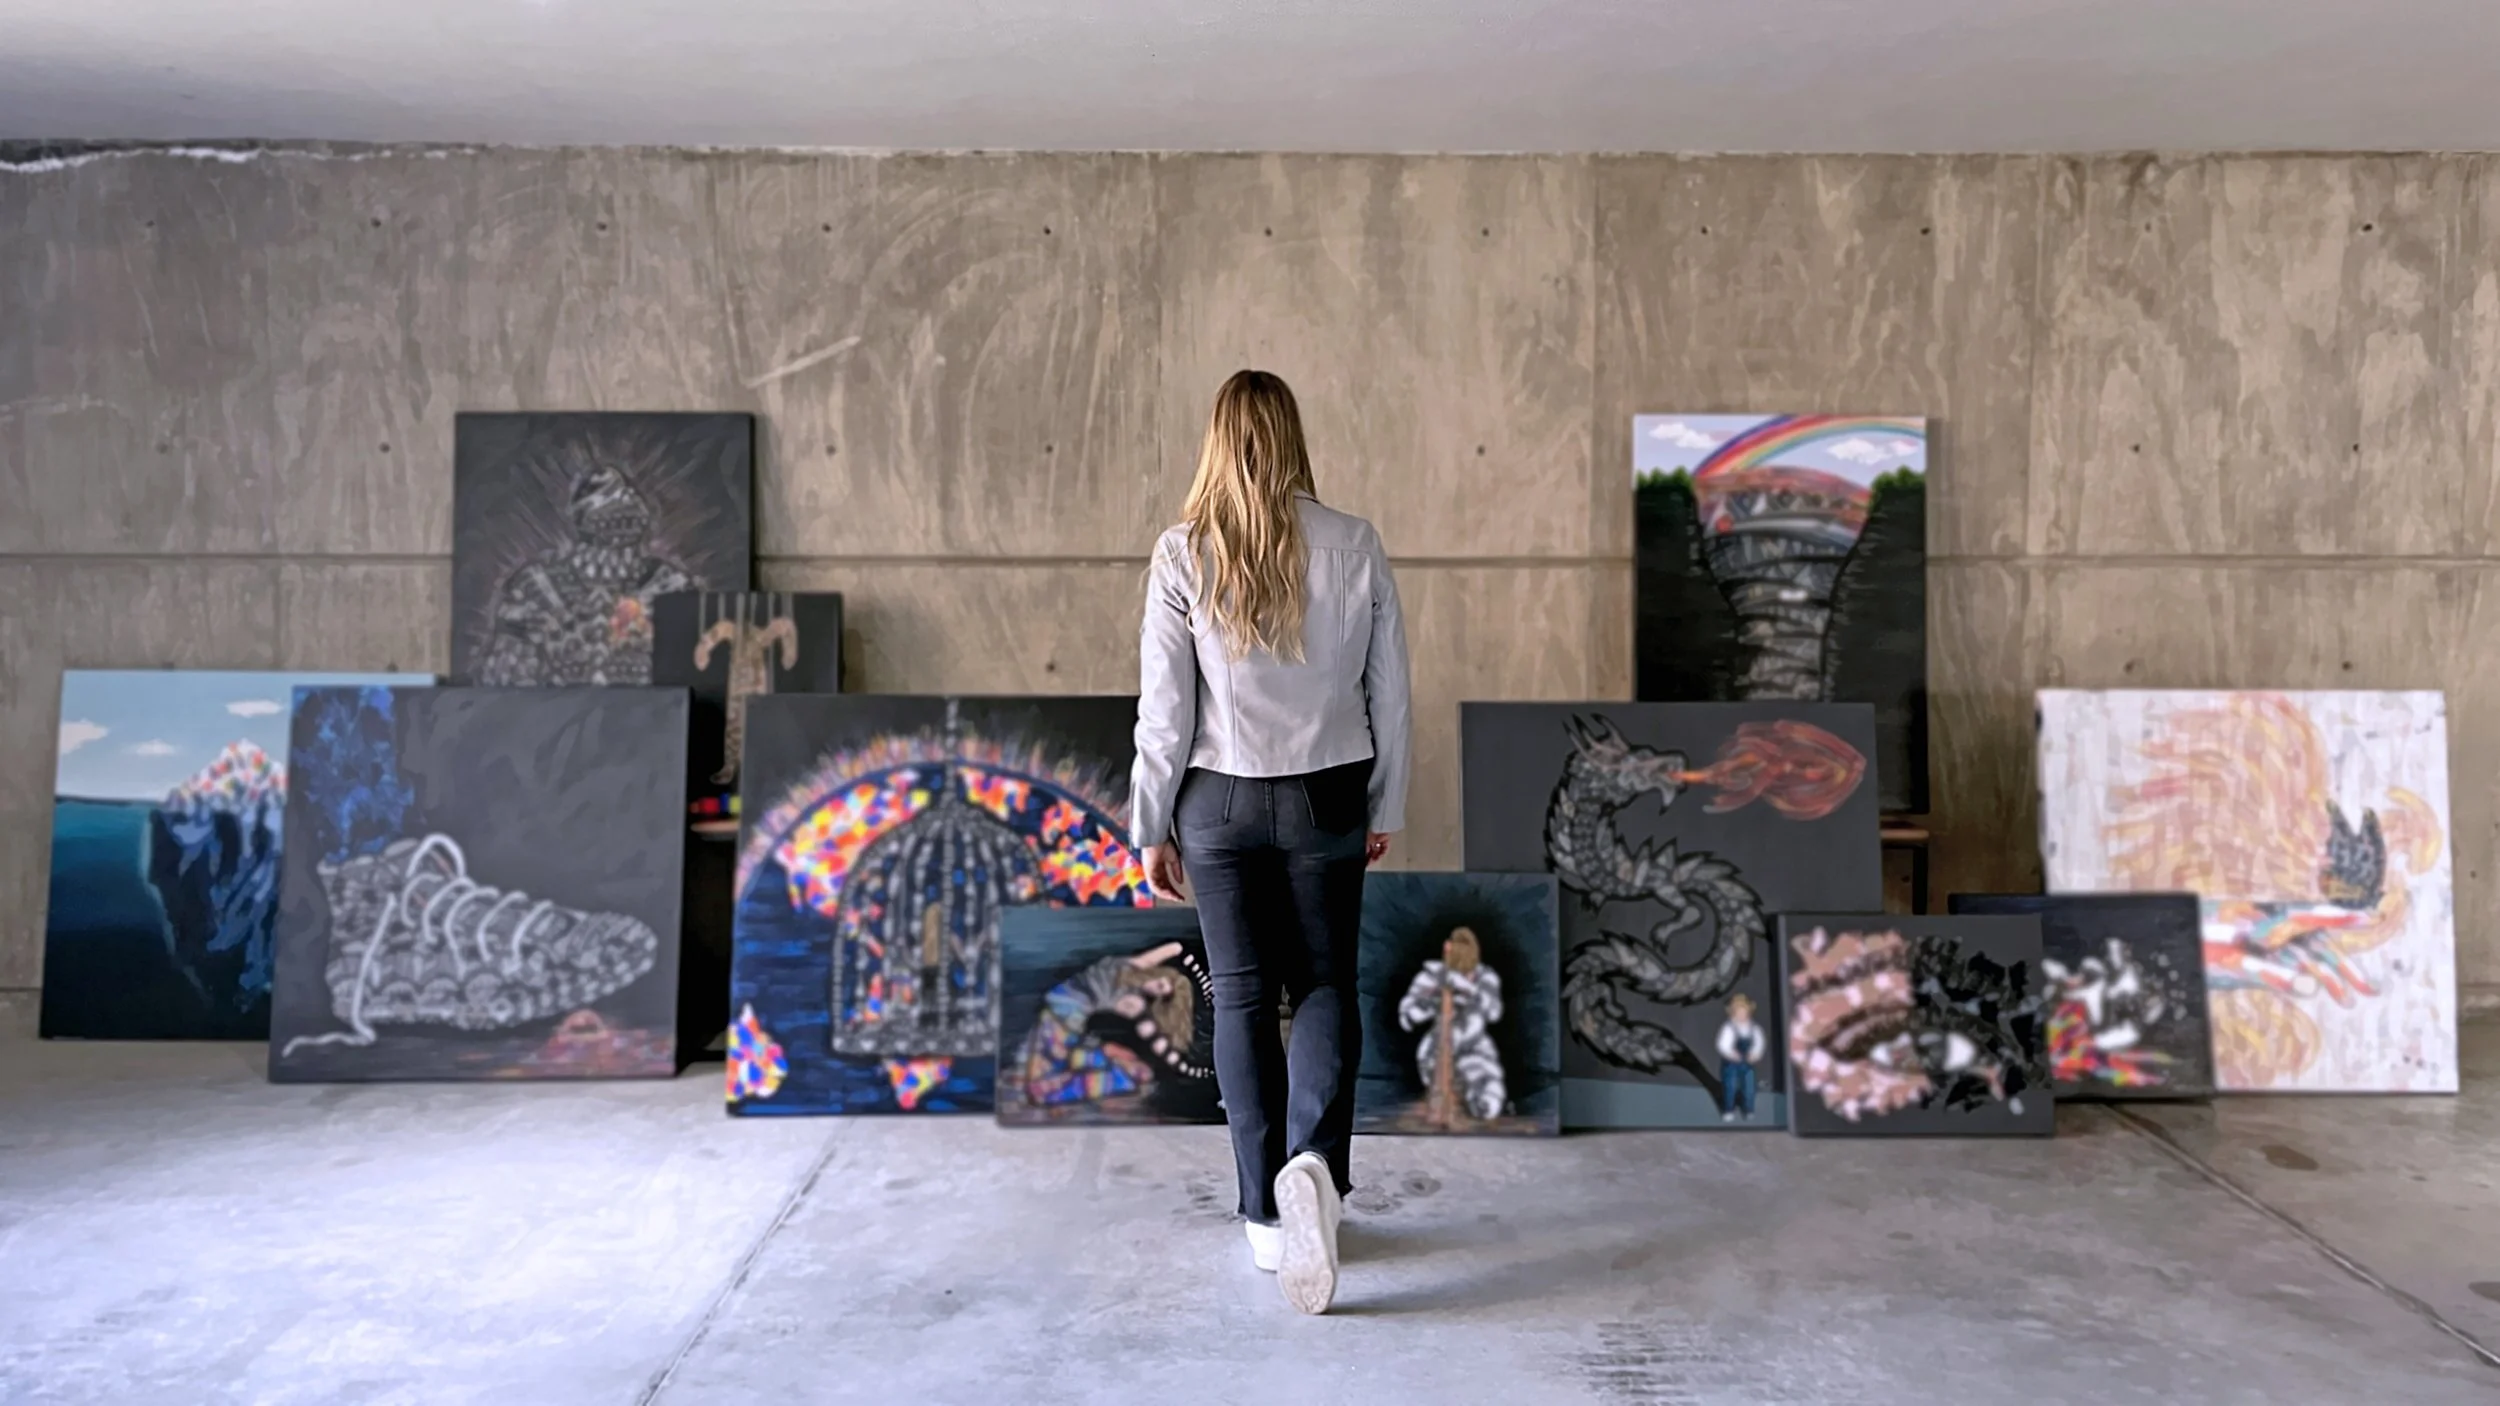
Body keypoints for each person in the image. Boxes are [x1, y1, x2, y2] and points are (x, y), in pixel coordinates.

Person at [1131, 369, 1411, 1316]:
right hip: (1329, 793)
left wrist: (1148, 823)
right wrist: (1384, 802)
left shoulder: (1182, 553)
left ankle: (1261, 1215)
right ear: (1293, 436)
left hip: (1215, 801)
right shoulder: (1355, 543)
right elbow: (1393, 695)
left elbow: (1164, 716)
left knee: (1244, 1000)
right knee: (1326, 984)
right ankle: (1315, 1179)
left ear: (1217, 440)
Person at [1398, 927, 1507, 1127]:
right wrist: (1433, 1000)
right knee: (1441, 1088)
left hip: (1475, 1047)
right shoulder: (1432, 975)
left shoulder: (1485, 977)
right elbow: (1407, 1016)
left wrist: (1466, 989)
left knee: (1488, 1102)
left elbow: (1493, 1012)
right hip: (1437, 1048)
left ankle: (1474, 1100)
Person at [1716, 992, 1763, 1123]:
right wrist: (1731, 1053)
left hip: (1747, 1064)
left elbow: (1759, 1043)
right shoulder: (1729, 1028)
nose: (1741, 1014)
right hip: (1731, 1064)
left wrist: (1755, 1053)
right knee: (1730, 1087)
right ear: (1732, 1012)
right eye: (1738, 1011)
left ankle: (1748, 1110)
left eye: (1744, 1011)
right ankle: (1728, 1110)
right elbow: (1722, 1044)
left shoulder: (1754, 1028)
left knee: (1749, 1087)